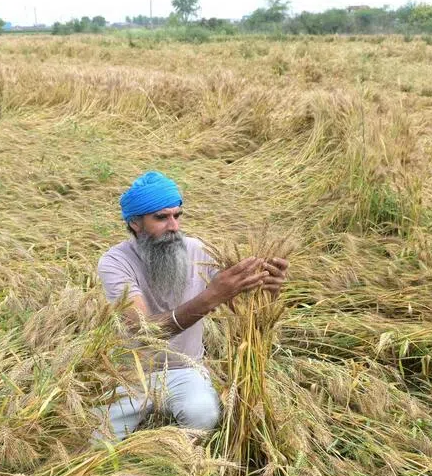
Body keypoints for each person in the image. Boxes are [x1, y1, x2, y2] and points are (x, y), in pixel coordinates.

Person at [95, 171, 288, 442]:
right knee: (97, 437)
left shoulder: (197, 250)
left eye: (177, 215)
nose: (173, 226)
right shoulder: (115, 262)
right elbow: (144, 331)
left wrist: (269, 287)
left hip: (185, 369)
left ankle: (175, 463)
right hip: (131, 372)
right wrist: (212, 296)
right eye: (161, 218)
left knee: (204, 417)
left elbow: (242, 309)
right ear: (135, 223)